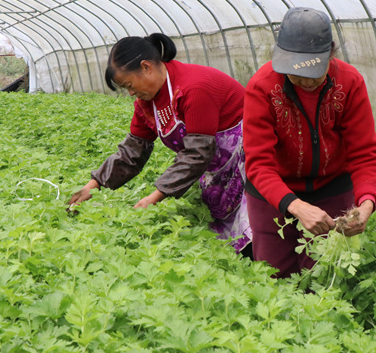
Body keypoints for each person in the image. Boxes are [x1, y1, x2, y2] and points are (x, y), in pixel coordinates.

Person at [68, 34, 252, 256]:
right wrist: (93, 185)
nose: (131, 93)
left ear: (146, 67)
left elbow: (197, 154)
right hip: (217, 167)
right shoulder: (147, 102)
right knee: (222, 229)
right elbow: (132, 152)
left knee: (253, 227)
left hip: (248, 159)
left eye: (129, 84)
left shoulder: (193, 88)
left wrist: (155, 197)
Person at [243, 7, 376, 277]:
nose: (305, 81)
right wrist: (295, 206)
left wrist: (366, 202)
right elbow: (259, 164)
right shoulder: (262, 87)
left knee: (324, 273)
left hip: (332, 189)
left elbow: (363, 154)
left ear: (330, 55)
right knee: (273, 276)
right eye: (295, 73)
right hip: (272, 197)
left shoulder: (350, 82)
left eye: (313, 72)